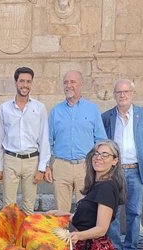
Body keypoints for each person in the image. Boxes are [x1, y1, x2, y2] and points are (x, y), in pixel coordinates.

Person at [101, 79, 143, 250]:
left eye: (126, 92)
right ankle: (115, 249)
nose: (122, 95)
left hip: (135, 170)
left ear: (132, 94)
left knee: (135, 212)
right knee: (112, 212)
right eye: (118, 92)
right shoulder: (107, 116)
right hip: (114, 172)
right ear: (114, 95)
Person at [45, 70, 107, 212]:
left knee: (85, 210)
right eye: (66, 82)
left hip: (84, 166)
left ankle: (82, 235)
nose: (69, 85)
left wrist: (100, 166)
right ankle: (63, 235)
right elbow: (48, 141)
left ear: (81, 85)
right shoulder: (56, 111)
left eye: (73, 82)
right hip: (61, 166)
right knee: (61, 213)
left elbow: (101, 140)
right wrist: (47, 166)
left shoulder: (92, 109)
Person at [0, 67, 51, 215]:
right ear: (15, 82)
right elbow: (0, 138)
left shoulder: (39, 108)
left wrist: (42, 167)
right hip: (10, 160)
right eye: (21, 81)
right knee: (8, 207)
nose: (25, 85)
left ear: (32, 83)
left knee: (28, 207)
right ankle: (9, 237)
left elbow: (44, 138)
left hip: (31, 161)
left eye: (28, 81)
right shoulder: (4, 108)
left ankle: (26, 238)